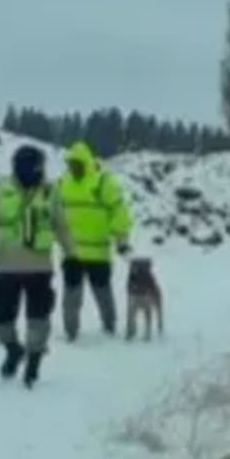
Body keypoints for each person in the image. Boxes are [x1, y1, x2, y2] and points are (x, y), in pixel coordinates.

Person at [0, 144, 75, 387]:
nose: (32, 171)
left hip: (40, 269)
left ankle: (34, 360)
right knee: (0, 319)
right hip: (6, 269)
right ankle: (13, 349)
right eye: (26, 166)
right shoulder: (0, 190)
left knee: (38, 318)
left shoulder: (50, 192)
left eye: (36, 166)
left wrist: (72, 258)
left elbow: (62, 227)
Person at [55, 141, 133, 340]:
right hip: (72, 253)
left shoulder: (102, 182)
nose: (73, 167)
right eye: (70, 163)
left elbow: (119, 211)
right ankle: (71, 333)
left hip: (98, 253)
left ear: (86, 162)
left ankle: (109, 327)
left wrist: (122, 240)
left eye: (77, 163)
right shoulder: (62, 184)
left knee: (103, 294)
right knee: (71, 296)